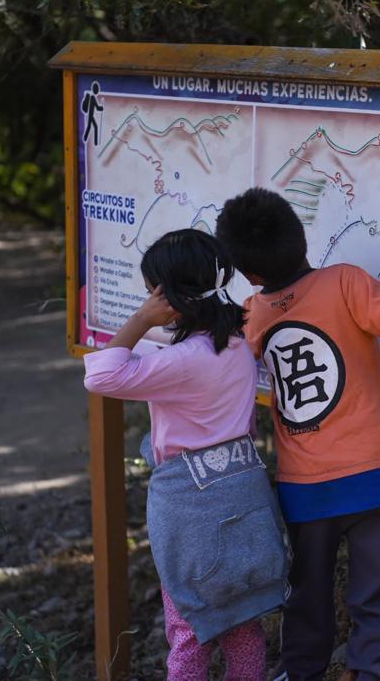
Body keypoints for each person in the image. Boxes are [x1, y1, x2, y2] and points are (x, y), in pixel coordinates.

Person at [215, 188, 380, 681]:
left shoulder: (252, 314)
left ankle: (300, 672)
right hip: (377, 477)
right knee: (379, 591)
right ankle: (371, 673)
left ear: (251, 275)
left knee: (305, 593)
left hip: (304, 487)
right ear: (302, 239)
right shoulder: (345, 282)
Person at [83, 229, 288, 680]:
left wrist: (139, 319)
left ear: (168, 296)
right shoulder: (235, 345)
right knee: (242, 621)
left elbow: (101, 378)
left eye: (151, 291)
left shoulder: (182, 360)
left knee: (189, 627)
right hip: (243, 490)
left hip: (191, 506)